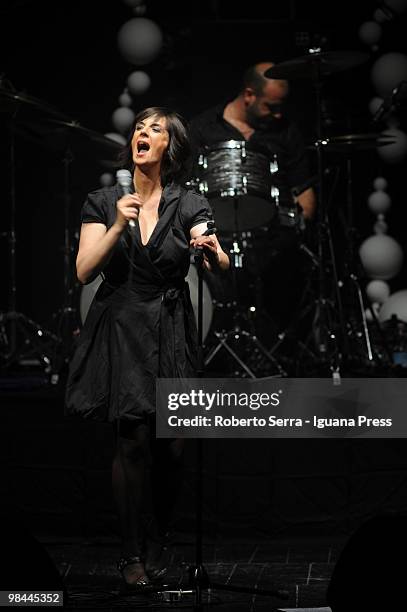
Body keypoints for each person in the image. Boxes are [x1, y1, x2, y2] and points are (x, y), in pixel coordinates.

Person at [64, 106, 229, 590]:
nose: (144, 133)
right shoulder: (103, 200)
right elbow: (83, 270)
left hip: (173, 326)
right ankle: (130, 550)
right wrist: (117, 224)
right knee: (131, 443)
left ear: (168, 148)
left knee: (172, 446)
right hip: (125, 325)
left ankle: (161, 538)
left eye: (156, 129)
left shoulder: (189, 201)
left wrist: (212, 250)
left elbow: (212, 252)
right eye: (140, 126)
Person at [188, 61, 317, 338]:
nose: (278, 114)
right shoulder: (202, 129)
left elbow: (306, 198)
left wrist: (295, 225)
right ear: (249, 95)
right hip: (216, 237)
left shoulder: (286, 131)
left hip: (274, 241)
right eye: (271, 106)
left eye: (281, 106)